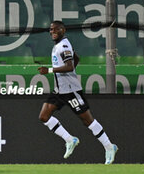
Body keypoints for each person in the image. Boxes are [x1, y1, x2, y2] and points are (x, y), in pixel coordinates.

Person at [37, 20, 118, 164]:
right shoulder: (59, 45)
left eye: (55, 29)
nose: (52, 32)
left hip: (70, 90)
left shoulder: (63, 45)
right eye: (51, 29)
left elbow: (69, 66)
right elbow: (76, 59)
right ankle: (70, 139)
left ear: (63, 30)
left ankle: (109, 146)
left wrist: (49, 70)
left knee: (87, 121)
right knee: (44, 116)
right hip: (59, 90)